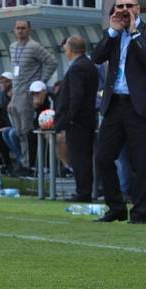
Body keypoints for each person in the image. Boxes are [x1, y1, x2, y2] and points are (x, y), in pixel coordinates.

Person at [94, 0, 146, 224]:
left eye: (129, 5)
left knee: (142, 162)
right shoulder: (112, 33)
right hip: (115, 104)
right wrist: (113, 31)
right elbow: (96, 57)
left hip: (139, 106)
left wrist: (133, 32)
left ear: (138, 8)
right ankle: (116, 207)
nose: (124, 9)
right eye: (120, 5)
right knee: (103, 157)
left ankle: (140, 212)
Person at [7, 20, 56, 175]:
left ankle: (31, 165)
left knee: (27, 130)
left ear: (29, 29)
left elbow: (51, 62)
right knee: (19, 131)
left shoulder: (34, 46)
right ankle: (24, 162)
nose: (20, 31)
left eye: (23, 28)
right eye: (18, 28)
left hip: (27, 93)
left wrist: (40, 83)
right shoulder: (12, 46)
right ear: (14, 30)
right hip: (16, 92)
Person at [54, 36, 98, 202]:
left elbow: (75, 97)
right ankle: (84, 190)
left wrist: (68, 118)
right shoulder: (89, 65)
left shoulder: (77, 68)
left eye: (66, 47)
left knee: (79, 157)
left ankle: (83, 192)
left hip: (78, 121)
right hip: (87, 118)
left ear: (70, 49)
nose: (65, 51)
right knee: (84, 156)